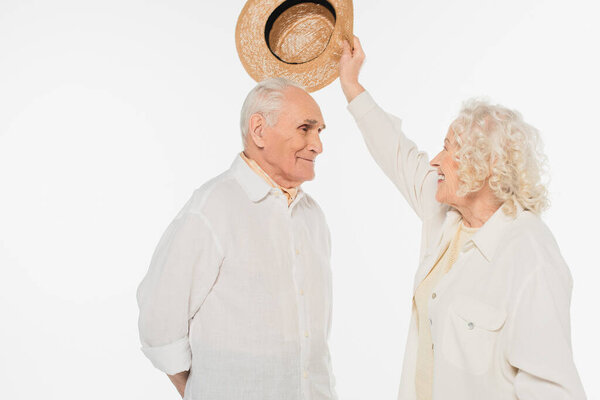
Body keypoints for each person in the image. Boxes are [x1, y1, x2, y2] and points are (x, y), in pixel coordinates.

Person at [339, 36, 586, 400]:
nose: (435, 160)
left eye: (449, 149)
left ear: (485, 165)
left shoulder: (529, 253)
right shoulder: (447, 215)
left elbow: (552, 389)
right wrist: (351, 85)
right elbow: (397, 153)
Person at [137, 77, 336, 400]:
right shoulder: (212, 208)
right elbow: (159, 323)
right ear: (259, 130)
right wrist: (205, 389)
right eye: (305, 129)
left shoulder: (312, 216)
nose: (318, 145)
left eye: (320, 131)